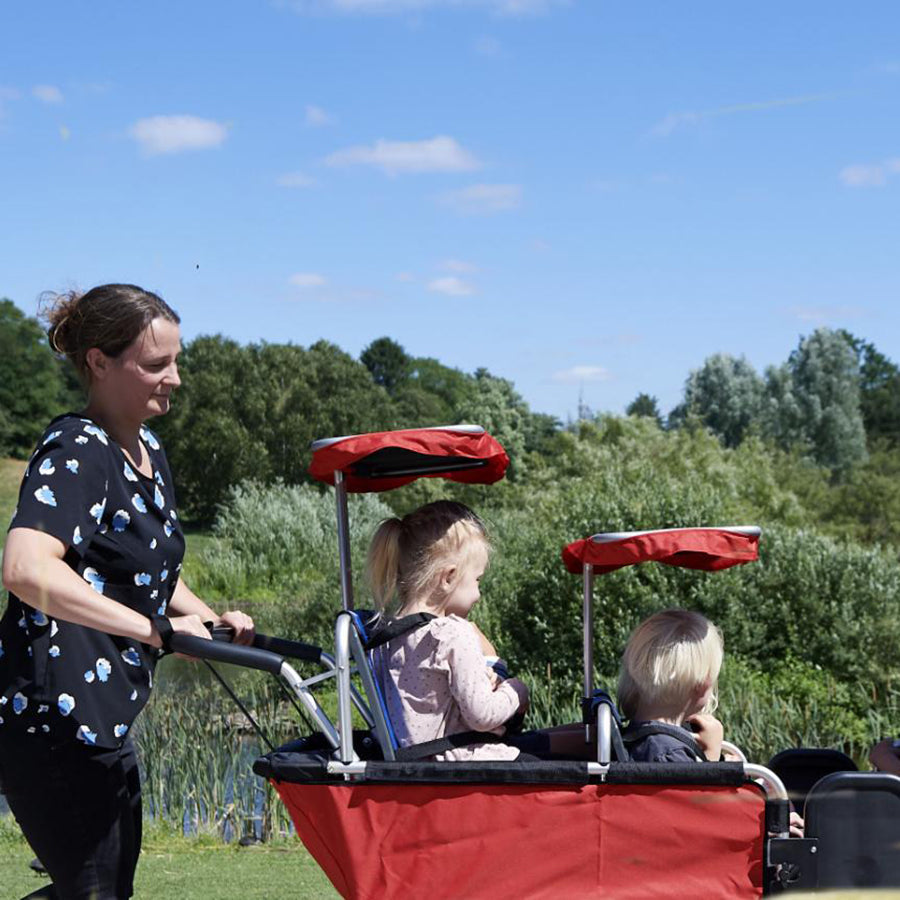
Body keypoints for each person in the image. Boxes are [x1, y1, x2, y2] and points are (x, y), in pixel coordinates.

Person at [0, 284, 255, 900]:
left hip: (107, 713)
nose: (174, 378)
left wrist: (207, 618)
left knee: (105, 888)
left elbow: (148, 572)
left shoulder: (146, 451)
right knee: (95, 891)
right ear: (98, 362)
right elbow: (26, 569)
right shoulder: (77, 449)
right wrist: (156, 631)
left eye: (175, 361)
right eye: (154, 364)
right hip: (50, 718)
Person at [616, 608, 725, 763]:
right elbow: (691, 788)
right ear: (703, 684)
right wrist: (712, 757)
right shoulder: (669, 757)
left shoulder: (641, 742)